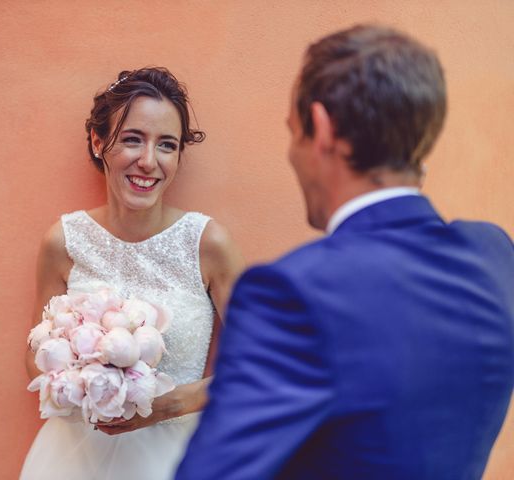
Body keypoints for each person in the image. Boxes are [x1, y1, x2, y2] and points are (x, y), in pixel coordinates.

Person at [176, 25, 514, 480]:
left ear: (322, 128)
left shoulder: (291, 293)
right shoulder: (494, 256)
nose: (292, 154)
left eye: (293, 132)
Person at [20, 67, 244, 480]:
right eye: (132, 139)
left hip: (175, 459)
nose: (148, 161)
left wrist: (170, 403)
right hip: (73, 459)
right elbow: (36, 356)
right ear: (98, 141)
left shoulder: (208, 244)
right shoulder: (64, 240)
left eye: (167, 145)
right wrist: (81, 383)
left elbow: (261, 366)